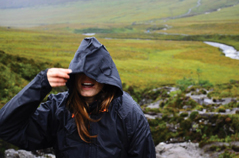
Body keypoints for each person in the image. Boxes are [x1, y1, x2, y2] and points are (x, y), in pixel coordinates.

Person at [0, 37, 156, 158]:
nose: (87, 78)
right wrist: (40, 84)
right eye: (81, 71)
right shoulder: (59, 108)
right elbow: (7, 127)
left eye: (95, 72)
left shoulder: (127, 112)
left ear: (106, 77)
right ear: (73, 75)